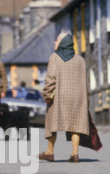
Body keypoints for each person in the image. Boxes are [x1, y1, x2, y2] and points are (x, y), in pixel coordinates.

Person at [38, 32, 90, 163]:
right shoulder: (80, 60)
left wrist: (47, 94)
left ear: (61, 43)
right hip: (77, 98)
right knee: (75, 124)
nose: (54, 43)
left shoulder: (55, 57)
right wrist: (86, 100)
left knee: (52, 123)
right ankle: (75, 154)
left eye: (56, 41)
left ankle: (49, 152)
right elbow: (85, 82)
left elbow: (50, 78)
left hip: (59, 97)